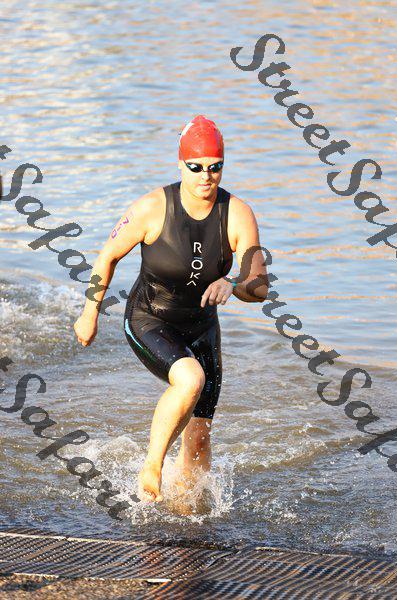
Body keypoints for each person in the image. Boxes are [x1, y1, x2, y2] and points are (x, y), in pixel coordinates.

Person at [73, 115, 268, 506]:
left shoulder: (237, 213)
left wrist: (233, 284)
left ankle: (187, 515)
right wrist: (90, 312)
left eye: (215, 167)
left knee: (200, 434)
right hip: (150, 319)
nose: (206, 176)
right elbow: (107, 256)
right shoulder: (152, 208)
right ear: (180, 165)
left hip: (202, 328)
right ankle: (152, 466)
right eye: (196, 167)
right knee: (190, 379)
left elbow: (259, 284)